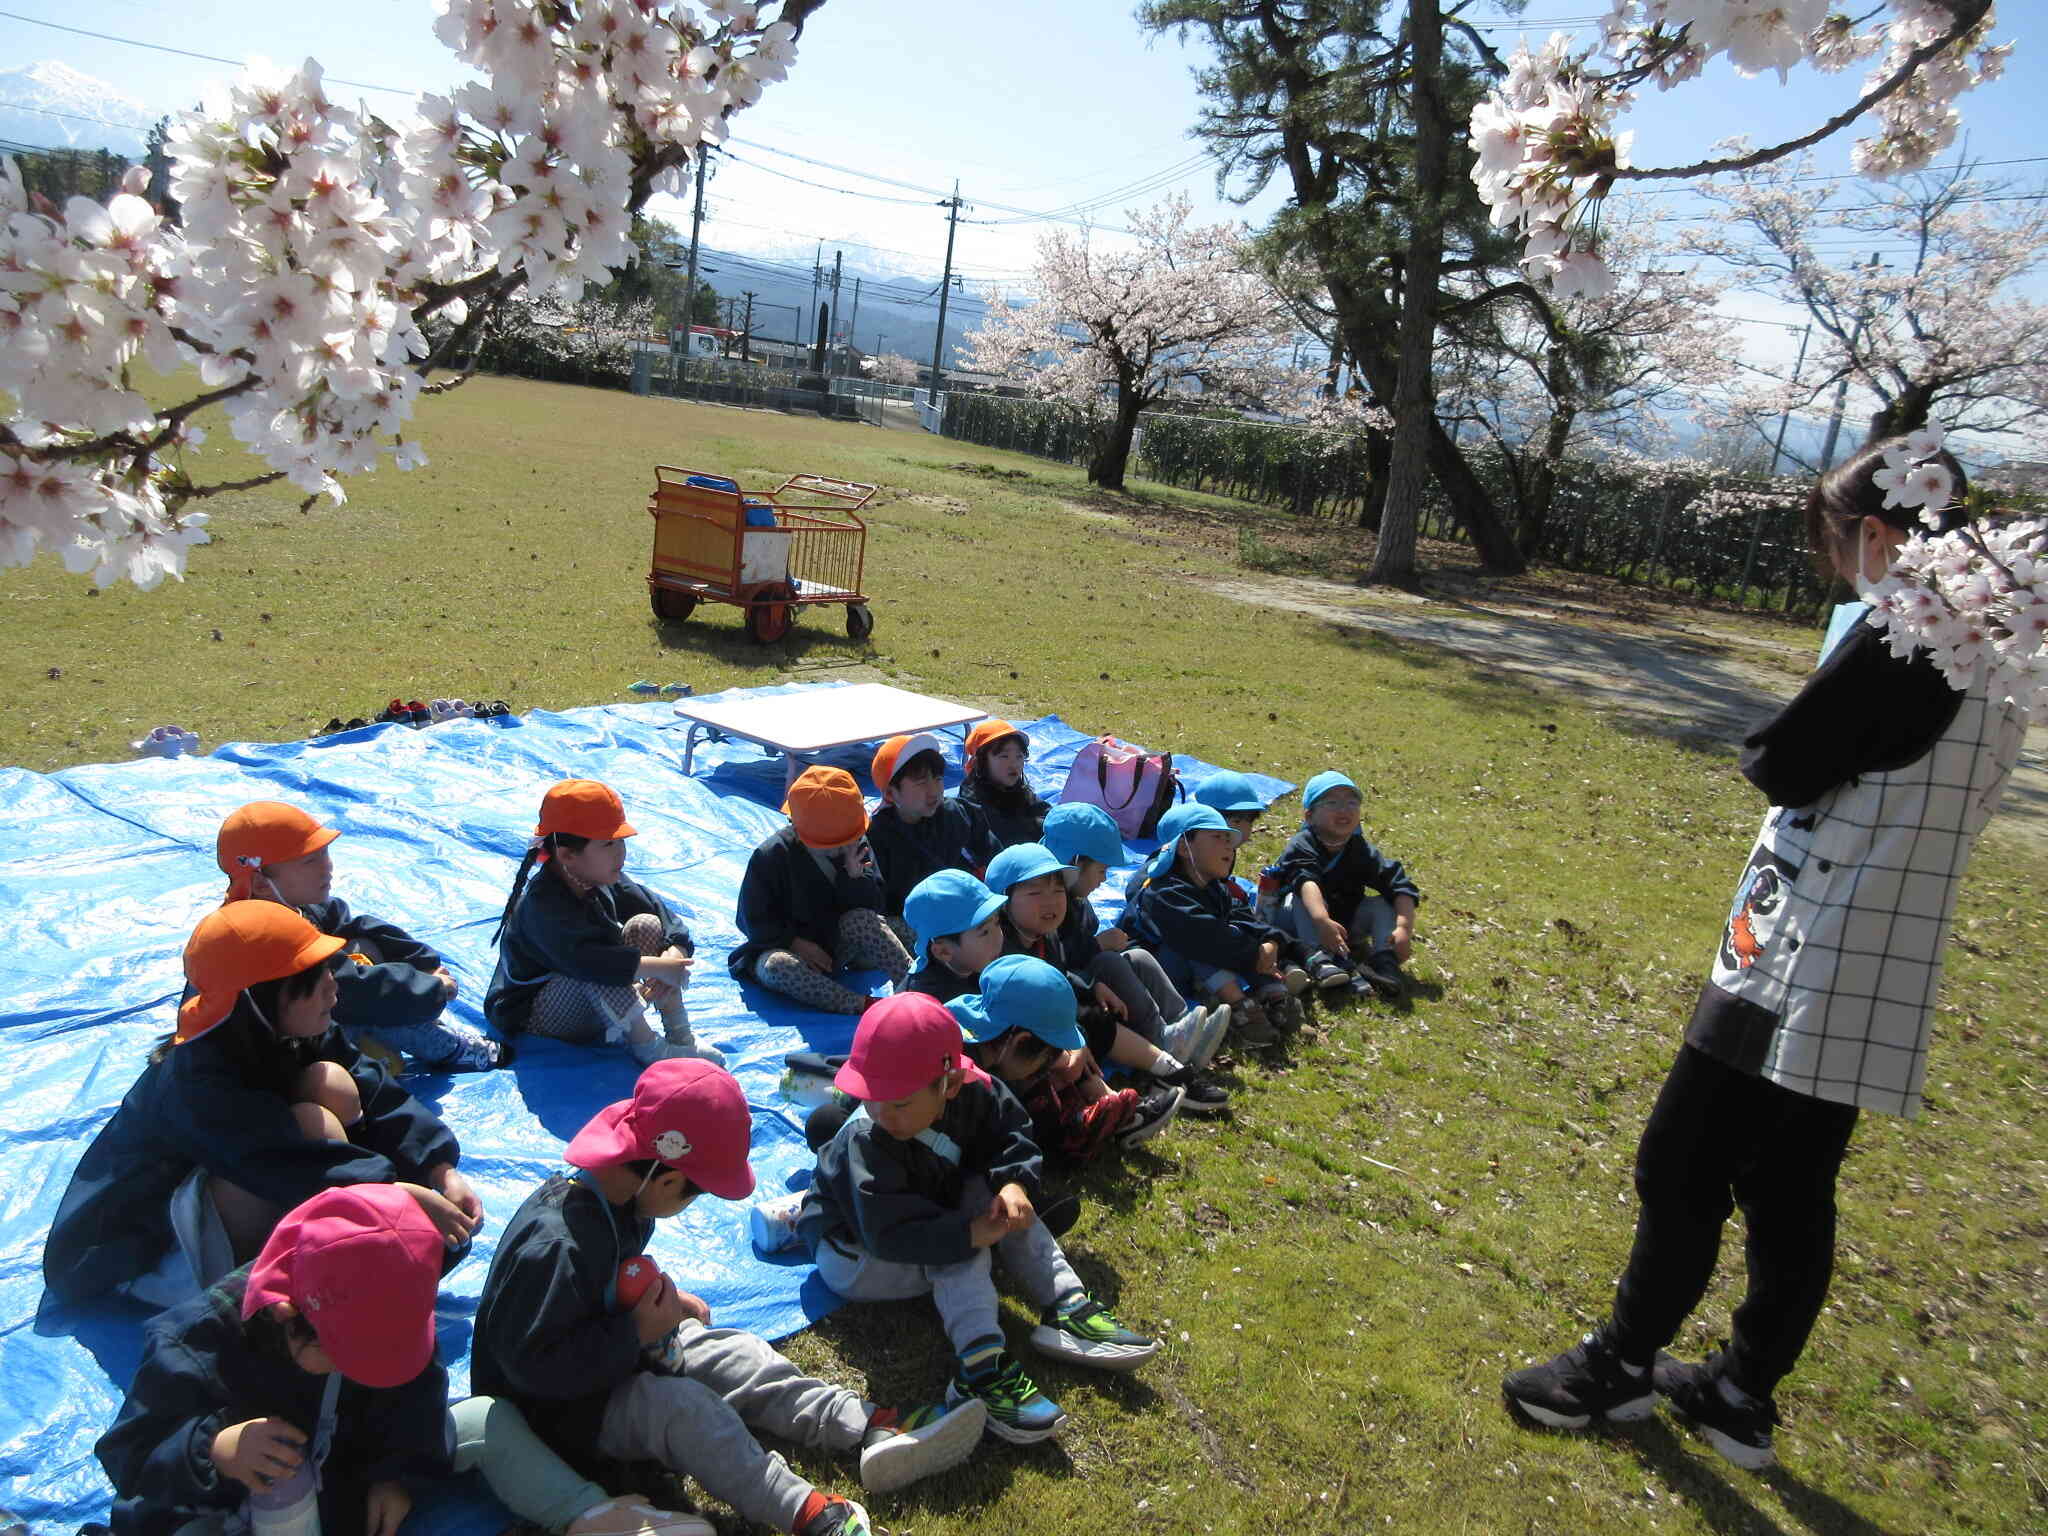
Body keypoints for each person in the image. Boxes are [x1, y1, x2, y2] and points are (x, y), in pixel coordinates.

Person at [1501, 435, 2026, 1470]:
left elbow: (1784, 760)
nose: (1836, 567)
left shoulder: (1907, 630)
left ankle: (1617, 1366)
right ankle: (1740, 1392)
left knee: (1681, 1159)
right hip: (1887, 953)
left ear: (1871, 532)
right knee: (1791, 1186)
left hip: (1799, 944)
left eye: (1834, 546)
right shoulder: (2000, 640)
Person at [472, 1060, 987, 1536]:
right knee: (684, 1410)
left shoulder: (624, 1198)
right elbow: (534, 1368)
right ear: (667, 1179)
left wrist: (660, 1304)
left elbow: (604, 1283)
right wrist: (634, 1333)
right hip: (556, 1415)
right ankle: (807, 1512)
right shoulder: (556, 1247)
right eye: (696, 1193)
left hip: (608, 1350)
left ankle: (867, 1423)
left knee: (735, 1353)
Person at [96, 1184, 712, 1536]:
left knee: (487, 1420)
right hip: (233, 1507)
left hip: (345, 1483)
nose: (367, 1371)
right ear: (288, 1318)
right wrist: (214, 1449)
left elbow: (414, 1398)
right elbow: (130, 1454)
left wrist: (395, 1473)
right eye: (352, 1356)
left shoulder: (384, 1307)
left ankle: (594, 1517)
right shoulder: (194, 1345)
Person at [44, 904, 479, 1310]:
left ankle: (326, 1246)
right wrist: (395, 1194)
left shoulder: (273, 1028)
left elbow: (374, 1088)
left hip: (237, 1167)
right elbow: (282, 1159)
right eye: (316, 976)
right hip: (138, 1249)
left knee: (331, 1082)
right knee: (315, 1132)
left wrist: (437, 1169)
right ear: (262, 997)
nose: (334, 985)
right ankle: (262, 1290)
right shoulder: (200, 1079)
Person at [797, 993, 1160, 1444]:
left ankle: (1067, 1304)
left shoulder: (978, 1091)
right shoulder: (866, 1140)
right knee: (959, 1249)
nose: (881, 1112)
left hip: (922, 1201)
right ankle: (981, 1368)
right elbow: (891, 1232)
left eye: (900, 1102)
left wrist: (1014, 1184)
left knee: (995, 1202)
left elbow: (1012, 1135)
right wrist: (968, 1233)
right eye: (871, 1096)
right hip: (855, 1255)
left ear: (949, 1084)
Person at [216, 800, 500, 1072]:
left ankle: (374, 1051)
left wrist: (422, 962)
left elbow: (358, 927)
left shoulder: (291, 904)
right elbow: (354, 989)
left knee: (362, 946)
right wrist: (432, 989)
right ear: (261, 884)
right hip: (285, 1050)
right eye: (310, 861)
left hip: (323, 1014)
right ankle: (449, 1049)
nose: (327, 867)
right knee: (373, 1004)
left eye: (324, 854)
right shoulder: (264, 936)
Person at [485, 780, 720, 1067]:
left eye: (621, 841)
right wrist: (658, 968)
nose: (620, 852)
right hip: (539, 1016)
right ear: (567, 855)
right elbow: (590, 962)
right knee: (602, 967)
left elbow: (662, 914)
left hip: (593, 1002)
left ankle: (680, 1034)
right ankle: (647, 1046)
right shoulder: (542, 904)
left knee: (646, 924)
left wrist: (675, 952)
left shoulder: (597, 876)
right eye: (608, 844)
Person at [987, 840, 1222, 1120]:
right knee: (1086, 1021)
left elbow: (1058, 977)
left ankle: (1171, 1070)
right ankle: (1118, 1108)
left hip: (1052, 1026)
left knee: (1095, 1014)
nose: (1051, 901)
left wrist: (1090, 986)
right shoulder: (999, 948)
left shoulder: (1045, 936)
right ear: (1004, 902)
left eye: (1058, 890)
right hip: (1024, 1041)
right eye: (1035, 892)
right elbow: (1030, 1008)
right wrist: (1072, 1034)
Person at [1039, 802, 1232, 1074]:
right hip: (1072, 988)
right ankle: (1162, 1038)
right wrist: (1097, 946)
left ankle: (1184, 1025)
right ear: (1076, 863)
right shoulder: (1049, 908)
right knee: (1109, 962)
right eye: (1101, 870)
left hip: (1083, 977)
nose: (1104, 880)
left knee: (1138, 957)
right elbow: (1054, 960)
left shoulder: (1077, 900)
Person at [1120, 804, 1313, 1048]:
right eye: (1217, 838)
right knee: (1200, 941)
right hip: (1158, 974)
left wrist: (1271, 941)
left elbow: (1242, 917)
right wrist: (1255, 953)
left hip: (1195, 967)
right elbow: (1205, 935)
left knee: (1237, 935)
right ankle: (1241, 1010)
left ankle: (1275, 997)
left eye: (1228, 839)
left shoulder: (1214, 887)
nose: (1228, 846)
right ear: (1184, 848)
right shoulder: (1163, 892)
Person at [730, 766, 912, 1016]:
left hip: (837, 943)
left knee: (885, 924)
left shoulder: (856, 845)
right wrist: (793, 942)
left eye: (846, 841)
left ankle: (914, 988)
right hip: (787, 949)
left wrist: (854, 879)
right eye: (830, 845)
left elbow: (874, 905)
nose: (841, 849)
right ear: (797, 827)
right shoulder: (771, 856)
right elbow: (751, 920)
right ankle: (862, 1004)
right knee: (776, 966)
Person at [1264, 771, 1422, 998]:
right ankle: (1320, 958)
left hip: (1344, 924)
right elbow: (1306, 881)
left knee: (1382, 904)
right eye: (1332, 803)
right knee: (1304, 896)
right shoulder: (1302, 844)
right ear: (1309, 816)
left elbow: (1397, 883)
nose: (1344, 809)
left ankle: (1384, 960)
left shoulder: (1359, 848)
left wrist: (1404, 927)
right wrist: (1322, 921)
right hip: (1296, 924)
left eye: (1351, 803)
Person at [862, 732, 1001, 921]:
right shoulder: (877, 839)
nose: (934, 791)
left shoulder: (957, 814)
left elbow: (994, 858)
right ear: (891, 793)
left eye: (938, 778)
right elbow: (885, 904)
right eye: (920, 782)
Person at [955, 719, 1050, 848]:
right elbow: (1009, 835)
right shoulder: (973, 800)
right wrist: (1040, 825)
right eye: (1004, 756)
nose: (1014, 764)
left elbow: (1046, 812)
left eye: (1019, 756)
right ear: (981, 762)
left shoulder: (1017, 788)